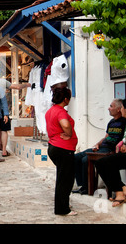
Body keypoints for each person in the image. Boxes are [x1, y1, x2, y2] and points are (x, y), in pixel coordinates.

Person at [73, 99, 126, 194]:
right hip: (102, 147)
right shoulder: (111, 122)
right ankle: (82, 185)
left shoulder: (125, 122)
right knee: (76, 157)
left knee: (86, 159)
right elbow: (106, 137)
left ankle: (88, 188)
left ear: (119, 109)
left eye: (111, 106)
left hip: (111, 150)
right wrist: (98, 144)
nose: (108, 108)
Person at [0, 66, 32, 158]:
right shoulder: (2, 82)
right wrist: (27, 85)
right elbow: (17, 87)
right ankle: (4, 151)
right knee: (4, 130)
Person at [45, 87, 78, 216]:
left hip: (54, 146)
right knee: (66, 179)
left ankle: (63, 204)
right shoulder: (60, 112)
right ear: (65, 99)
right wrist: (69, 133)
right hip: (63, 148)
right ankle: (62, 209)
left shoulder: (50, 110)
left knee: (63, 178)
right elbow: (65, 124)